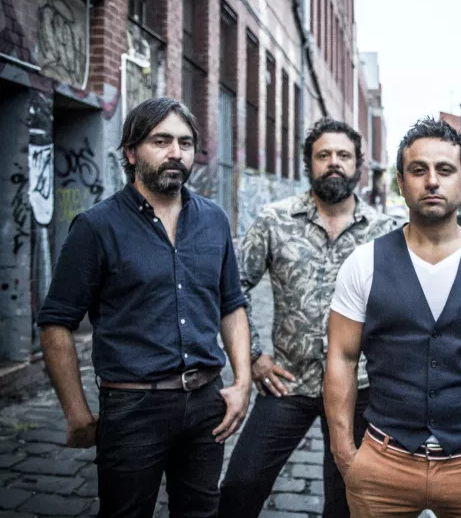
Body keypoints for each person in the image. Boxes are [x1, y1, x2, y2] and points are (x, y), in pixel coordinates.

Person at [37, 97, 251, 517]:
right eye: (162, 141)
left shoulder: (214, 220)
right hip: (134, 408)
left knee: (201, 512)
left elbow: (232, 304)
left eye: (186, 143)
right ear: (132, 152)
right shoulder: (97, 226)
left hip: (207, 401)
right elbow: (56, 322)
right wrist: (76, 412)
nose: (176, 153)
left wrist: (242, 382)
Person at [324, 118, 461, 518]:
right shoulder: (364, 263)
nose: (432, 182)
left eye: (444, 170)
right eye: (418, 170)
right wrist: (345, 454)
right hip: (383, 463)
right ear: (401, 182)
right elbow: (341, 358)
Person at [219, 118, 398, 517]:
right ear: (309, 163)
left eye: (343, 155)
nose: (334, 162)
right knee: (240, 486)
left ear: (358, 165)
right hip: (288, 382)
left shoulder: (387, 232)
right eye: (324, 155)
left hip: (361, 388)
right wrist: (255, 356)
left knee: (348, 497)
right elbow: (232, 289)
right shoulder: (273, 220)